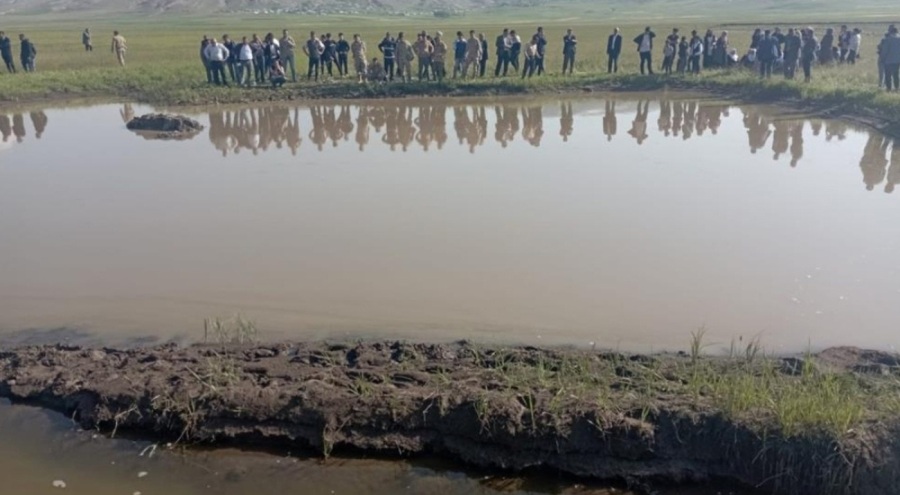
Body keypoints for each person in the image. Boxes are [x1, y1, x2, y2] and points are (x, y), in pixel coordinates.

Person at [883, 25, 900, 91]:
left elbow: (885, 50)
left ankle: (889, 88)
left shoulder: (888, 39)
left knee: (888, 75)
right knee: (896, 74)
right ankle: (897, 87)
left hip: (888, 60)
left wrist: (882, 58)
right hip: (898, 60)